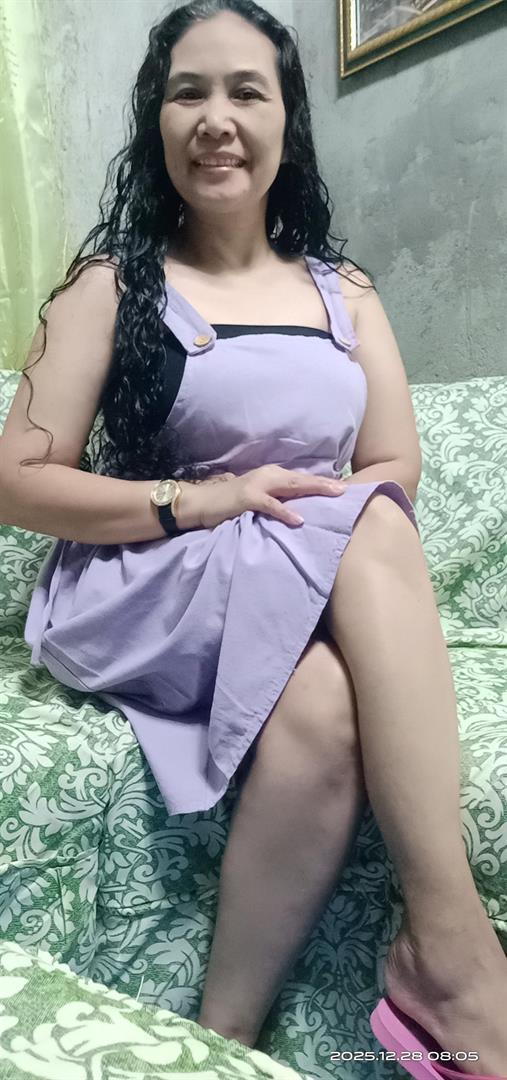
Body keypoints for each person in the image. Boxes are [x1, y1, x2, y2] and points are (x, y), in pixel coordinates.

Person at [1, 1, 505, 1077]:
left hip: (293, 561)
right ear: (157, 120)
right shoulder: (111, 286)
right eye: (188, 93)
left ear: (287, 121)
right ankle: (452, 948)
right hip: (148, 577)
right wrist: (200, 501)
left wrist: (301, 519)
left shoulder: (344, 292)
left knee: (324, 702)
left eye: (246, 92)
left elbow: (392, 460)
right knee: (369, 526)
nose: (216, 119)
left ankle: (222, 1036)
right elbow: (17, 483)